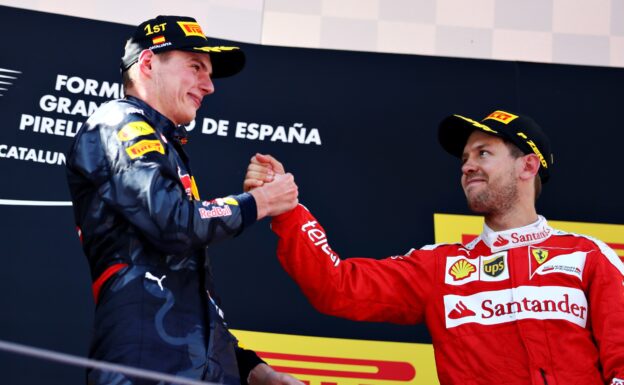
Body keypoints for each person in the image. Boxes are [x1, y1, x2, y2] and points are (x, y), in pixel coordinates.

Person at [244, 110, 624, 385]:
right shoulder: (439, 267)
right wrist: (289, 211)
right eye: (464, 158)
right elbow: (337, 287)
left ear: (527, 166)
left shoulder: (587, 256)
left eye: (483, 153)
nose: (467, 166)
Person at [66, 15, 302, 385]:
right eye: (195, 67)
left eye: (208, 73)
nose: (208, 86)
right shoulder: (116, 122)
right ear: (146, 63)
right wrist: (260, 201)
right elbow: (174, 223)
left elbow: (190, 298)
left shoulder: (168, 147)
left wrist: (256, 372)